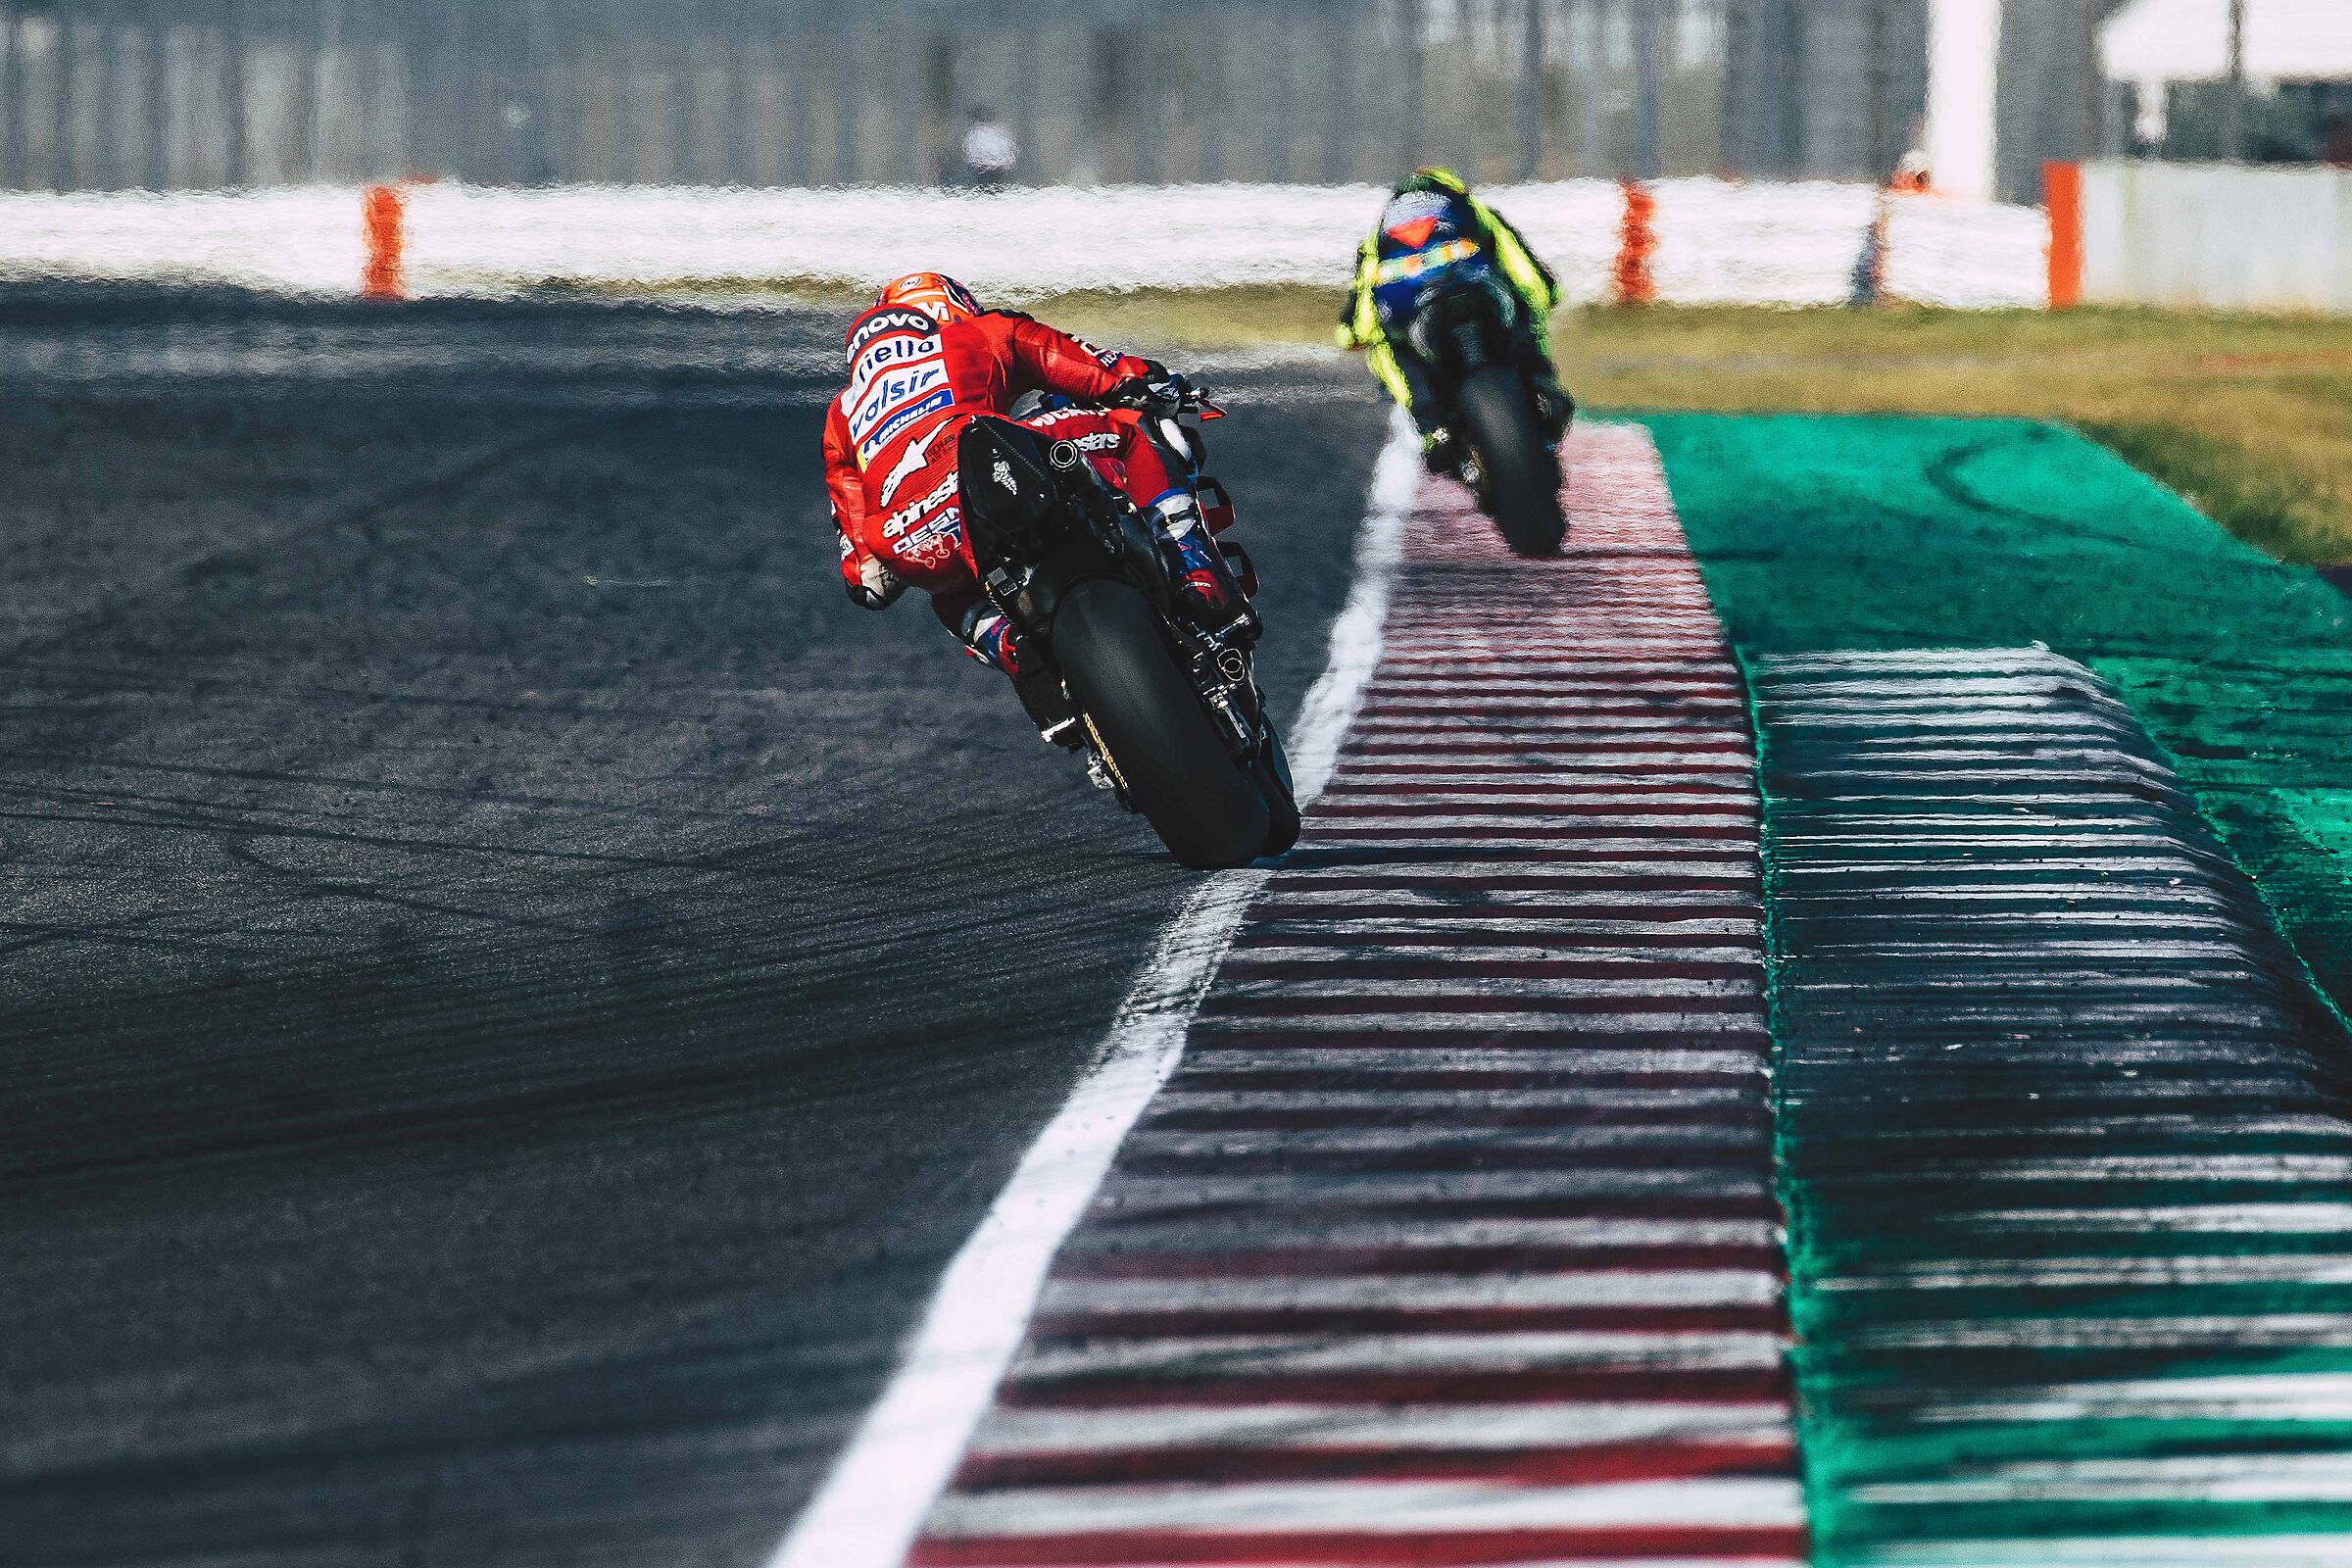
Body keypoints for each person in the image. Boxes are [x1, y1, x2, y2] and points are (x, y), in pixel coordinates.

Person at [822, 271, 1246, 744]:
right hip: (999, 467)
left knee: (948, 592)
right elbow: (1099, 373)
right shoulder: (979, 333)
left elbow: (867, 582)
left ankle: (1015, 652)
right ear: (952, 309)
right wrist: (1161, 384)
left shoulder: (842, 412)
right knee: (1128, 430)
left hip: (913, 535)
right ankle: (1194, 570)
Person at [1336, 166, 1574, 474]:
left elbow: (1362, 322)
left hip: (1422, 314)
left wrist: (1352, 334)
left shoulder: (1375, 238)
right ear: (1457, 191)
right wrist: (1544, 296)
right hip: (1481, 301)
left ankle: (1433, 428)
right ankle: (1543, 386)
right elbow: (1532, 278)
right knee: (1527, 302)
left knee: (1384, 346)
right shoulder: (1477, 211)